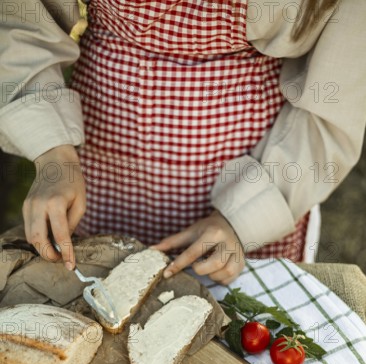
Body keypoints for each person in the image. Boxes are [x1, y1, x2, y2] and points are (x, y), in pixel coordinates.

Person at [1, 0, 365, 285]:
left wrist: (246, 219)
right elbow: (22, 19)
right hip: (98, 161)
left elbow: (336, 99)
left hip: (257, 173)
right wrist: (52, 152)